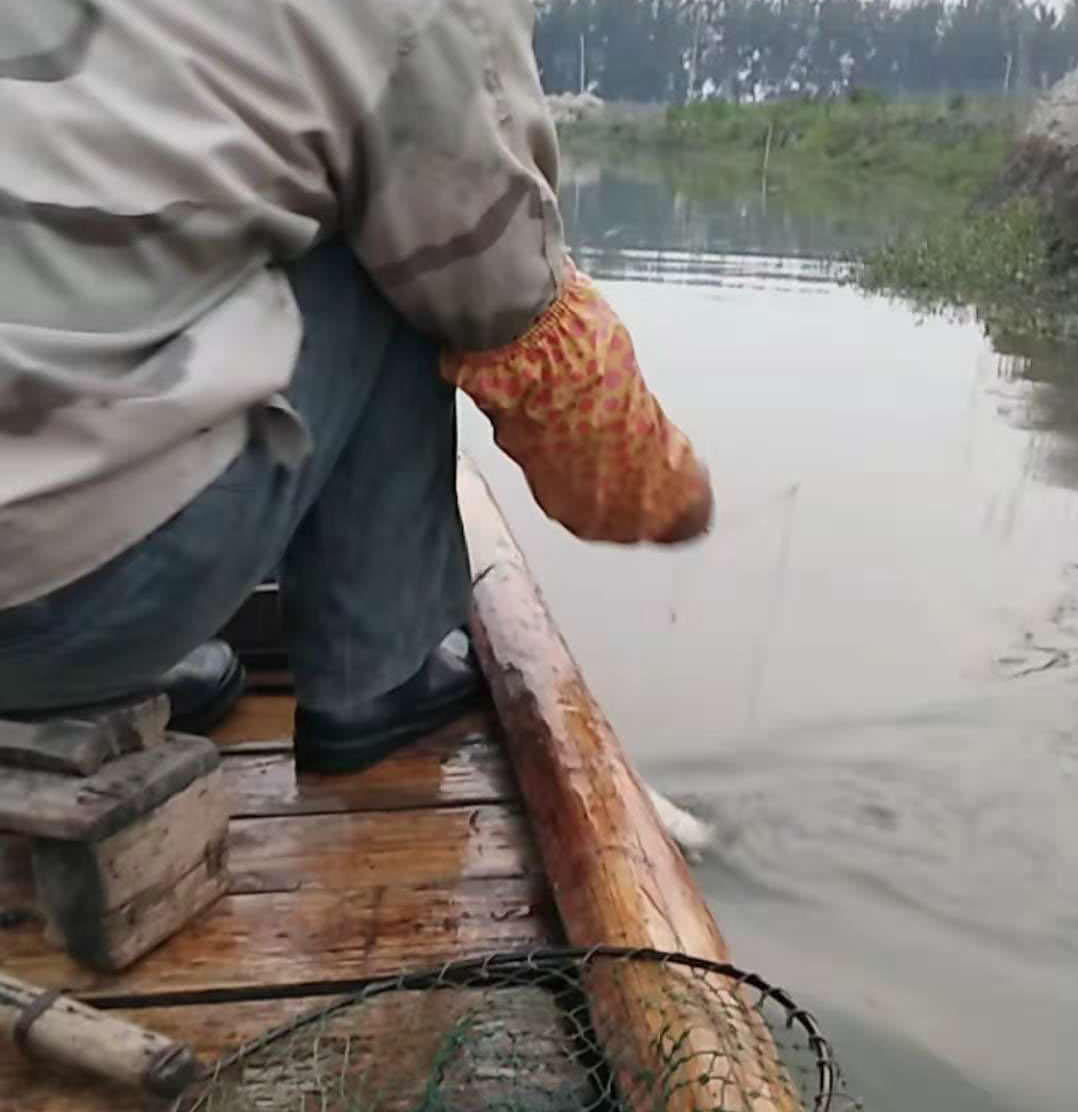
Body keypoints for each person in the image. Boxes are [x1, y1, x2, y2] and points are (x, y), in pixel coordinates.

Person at [0, 0, 712, 774]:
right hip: (54, 612)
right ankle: (376, 673)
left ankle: (107, 648)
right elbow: (508, 302)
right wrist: (662, 492)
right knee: (414, 217)